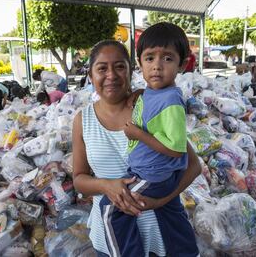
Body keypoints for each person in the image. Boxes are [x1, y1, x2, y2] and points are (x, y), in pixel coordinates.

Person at [73, 39, 202, 257]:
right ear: (90, 74)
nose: (111, 75)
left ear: (132, 70)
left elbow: (193, 166)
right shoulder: (82, 120)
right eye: (102, 68)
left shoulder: (149, 107)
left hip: (162, 235)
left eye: (120, 66)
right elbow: (79, 179)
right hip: (111, 241)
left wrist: (160, 200)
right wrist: (107, 186)